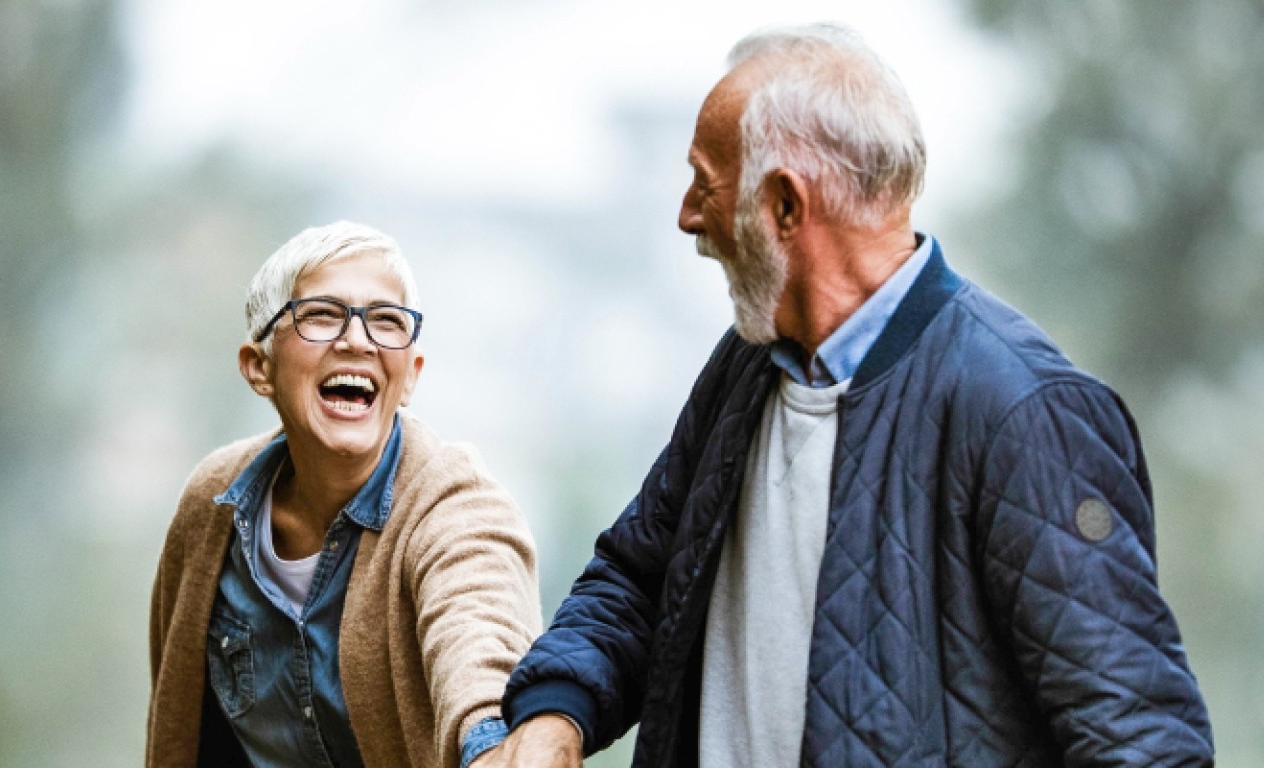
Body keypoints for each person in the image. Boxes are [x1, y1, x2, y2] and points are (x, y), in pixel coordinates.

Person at [490, 23, 1214, 767]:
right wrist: (557, 713)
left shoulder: (1025, 412)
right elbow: (643, 579)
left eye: (705, 184)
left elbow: (1141, 743)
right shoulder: (745, 366)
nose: (688, 216)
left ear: (784, 207)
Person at [147, 222, 541, 768]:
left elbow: (481, 643)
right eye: (322, 315)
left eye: (386, 321)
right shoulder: (211, 506)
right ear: (259, 368)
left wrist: (493, 745)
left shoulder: (458, 508)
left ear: (410, 377)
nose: (357, 340)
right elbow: (178, 719)